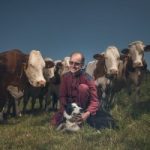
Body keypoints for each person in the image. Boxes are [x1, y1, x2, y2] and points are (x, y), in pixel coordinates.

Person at [50, 51, 100, 127]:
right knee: (54, 123)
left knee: (83, 87)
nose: (73, 66)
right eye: (71, 63)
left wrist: (87, 113)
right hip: (69, 108)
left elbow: (95, 101)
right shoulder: (65, 77)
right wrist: (65, 111)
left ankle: (81, 116)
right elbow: (62, 96)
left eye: (77, 64)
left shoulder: (88, 78)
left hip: (83, 107)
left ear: (82, 65)